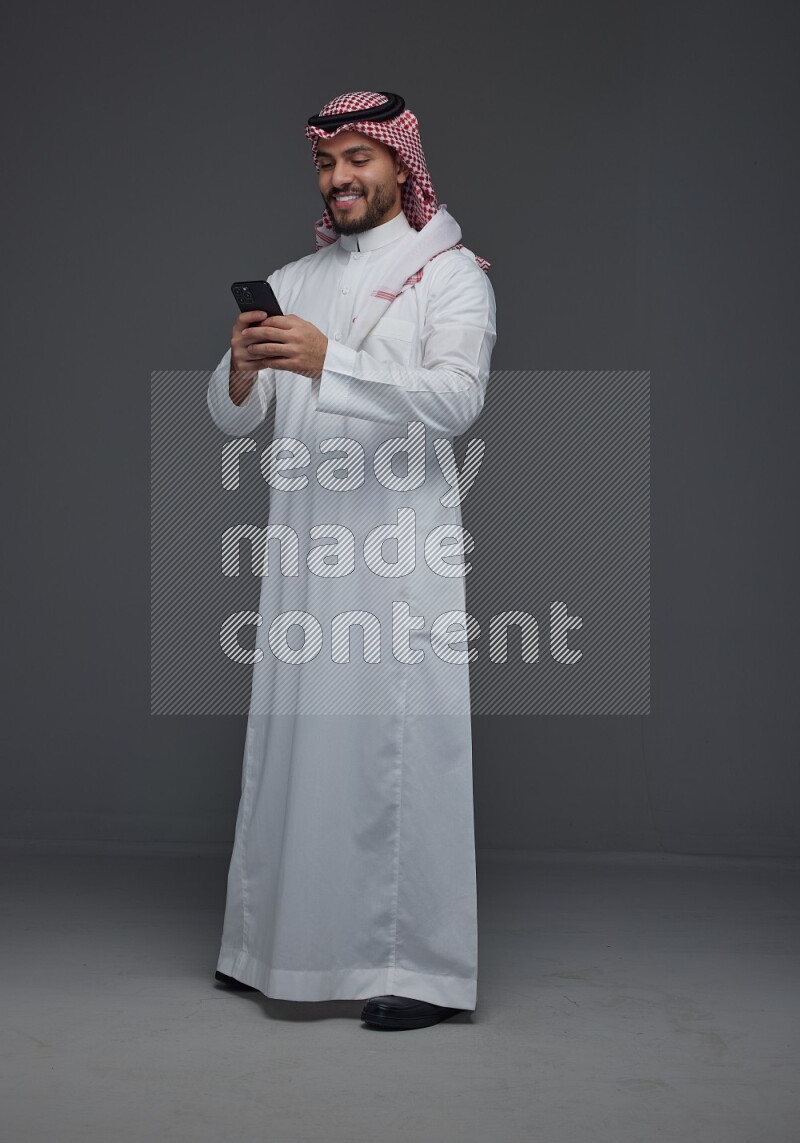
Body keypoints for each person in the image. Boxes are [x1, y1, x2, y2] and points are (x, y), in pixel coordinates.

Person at [206, 90, 497, 1030]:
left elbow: (455, 401)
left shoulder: (452, 277)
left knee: (398, 748)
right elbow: (232, 414)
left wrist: (333, 361)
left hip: (397, 554)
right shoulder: (295, 275)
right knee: (295, 742)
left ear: (401, 167)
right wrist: (244, 371)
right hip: (304, 545)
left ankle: (420, 969)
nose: (340, 178)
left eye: (358, 159)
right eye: (327, 162)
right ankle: (269, 946)